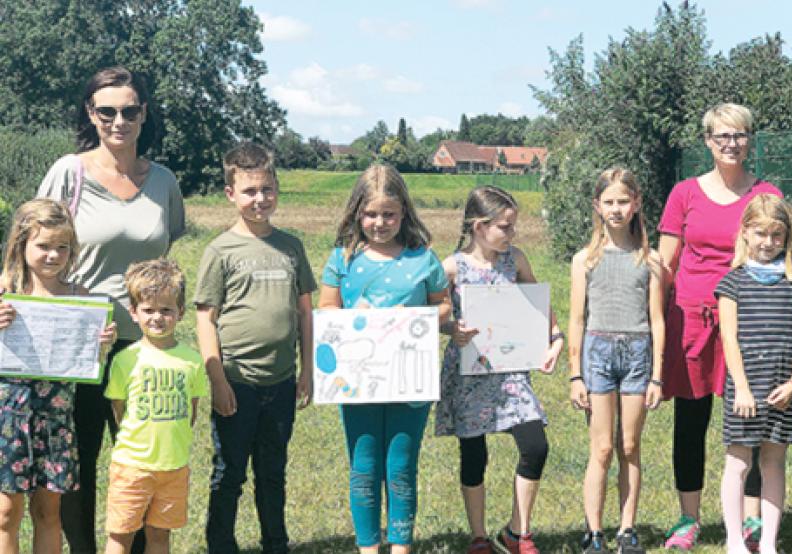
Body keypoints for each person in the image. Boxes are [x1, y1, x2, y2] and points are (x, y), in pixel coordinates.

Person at [36, 66, 184, 554]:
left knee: (142, 460)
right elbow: (32, 246)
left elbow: (168, 257)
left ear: (144, 114)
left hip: (145, 345)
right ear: (91, 113)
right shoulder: (68, 173)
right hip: (78, 343)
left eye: (129, 110)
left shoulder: (164, 181)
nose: (118, 121)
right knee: (78, 459)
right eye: (107, 111)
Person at [657, 103, 781, 550]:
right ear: (708, 141)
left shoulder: (767, 194)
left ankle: (750, 520)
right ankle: (688, 519)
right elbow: (665, 264)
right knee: (690, 421)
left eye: (740, 135)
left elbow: (780, 258)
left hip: (751, 321)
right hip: (692, 322)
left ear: (750, 140)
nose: (731, 143)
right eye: (722, 136)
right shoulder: (684, 193)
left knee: (749, 420)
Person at [319, 164, 451, 554]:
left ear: (404, 213)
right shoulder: (342, 259)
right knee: (363, 467)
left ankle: (401, 546)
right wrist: (352, 319)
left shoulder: (422, 258)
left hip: (410, 379)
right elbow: (327, 306)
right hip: (357, 380)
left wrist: (416, 320)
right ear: (357, 212)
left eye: (389, 214)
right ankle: (367, 547)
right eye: (371, 213)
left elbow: (444, 307)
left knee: (400, 468)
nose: (380, 222)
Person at [195, 142, 316, 554]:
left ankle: (275, 543)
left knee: (272, 471)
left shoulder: (291, 247)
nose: (259, 199)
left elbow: (304, 313)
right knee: (229, 472)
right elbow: (205, 318)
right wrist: (217, 380)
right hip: (236, 382)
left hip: (280, 382)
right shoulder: (220, 250)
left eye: (266, 190)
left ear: (277, 189)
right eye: (249, 192)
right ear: (231, 194)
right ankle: (221, 544)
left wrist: (307, 370)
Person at [433, 186, 563, 554]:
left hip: (510, 372)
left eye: (513, 226)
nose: (512, 234)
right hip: (469, 374)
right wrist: (451, 329)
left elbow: (539, 301)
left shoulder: (515, 260)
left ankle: (517, 531)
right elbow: (439, 313)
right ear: (479, 226)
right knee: (474, 455)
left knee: (535, 444)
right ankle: (478, 535)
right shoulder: (451, 267)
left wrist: (554, 336)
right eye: (505, 227)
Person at [0, 199, 116, 553]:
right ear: (21, 244)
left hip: (56, 418)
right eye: (44, 246)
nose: (53, 255)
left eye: (62, 247)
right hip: (8, 416)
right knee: (6, 512)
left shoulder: (81, 298)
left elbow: (86, 362)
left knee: (49, 511)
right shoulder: (4, 290)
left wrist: (101, 345)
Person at [568, 168, 664, 554]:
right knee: (603, 447)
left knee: (629, 445)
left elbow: (657, 320)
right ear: (597, 206)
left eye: (623, 201)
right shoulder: (584, 260)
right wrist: (575, 374)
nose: (616, 209)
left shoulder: (650, 259)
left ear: (636, 203)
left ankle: (627, 529)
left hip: (638, 354)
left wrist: (657, 376)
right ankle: (594, 532)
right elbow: (577, 319)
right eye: (609, 202)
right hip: (598, 353)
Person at [714, 195, 792, 554]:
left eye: (777, 235)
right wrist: (740, 386)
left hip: (781, 388)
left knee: (774, 462)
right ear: (745, 233)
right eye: (761, 233)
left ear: (787, 238)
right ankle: (735, 539)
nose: (769, 242)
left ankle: (769, 541)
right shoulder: (732, 282)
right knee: (739, 461)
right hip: (745, 387)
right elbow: (728, 336)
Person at [103, 259, 207, 554]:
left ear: (181, 312)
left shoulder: (192, 360)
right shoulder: (126, 359)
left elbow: (191, 413)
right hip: (132, 467)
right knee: (120, 536)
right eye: (148, 310)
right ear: (134, 313)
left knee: (160, 537)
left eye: (166, 310)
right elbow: (119, 409)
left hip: (173, 467)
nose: (157, 317)